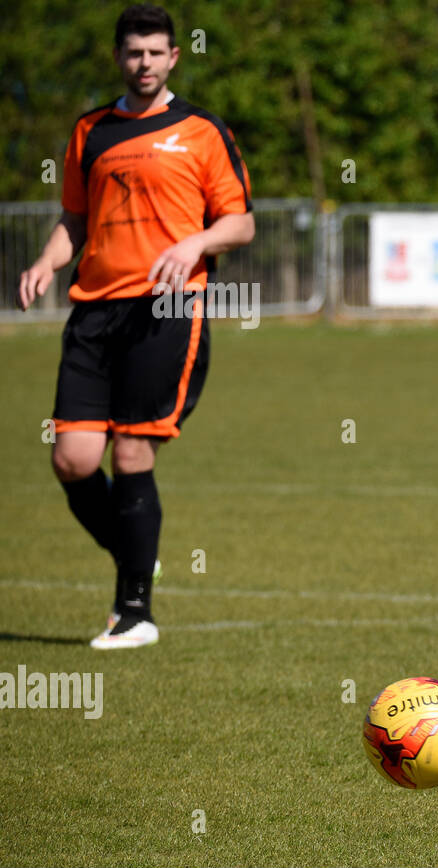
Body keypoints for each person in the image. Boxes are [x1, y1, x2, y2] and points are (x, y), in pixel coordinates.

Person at [16, 3, 254, 649]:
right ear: (118, 57)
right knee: (73, 458)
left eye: (155, 52)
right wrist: (45, 258)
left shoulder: (202, 130)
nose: (143, 63)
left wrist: (194, 244)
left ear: (174, 57)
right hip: (94, 308)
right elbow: (73, 219)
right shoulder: (90, 130)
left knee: (130, 451)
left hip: (168, 309)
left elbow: (240, 222)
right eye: (133, 52)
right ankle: (134, 547)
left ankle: (134, 612)